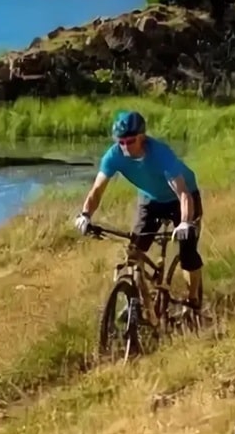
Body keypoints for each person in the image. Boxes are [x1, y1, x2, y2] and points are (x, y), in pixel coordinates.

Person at [74, 110, 205, 310]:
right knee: (134, 252)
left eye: (130, 141)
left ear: (142, 137)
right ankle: (136, 301)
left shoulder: (161, 154)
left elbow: (183, 193)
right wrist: (85, 215)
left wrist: (186, 222)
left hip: (181, 199)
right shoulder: (113, 156)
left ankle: (193, 299)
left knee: (188, 253)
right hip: (150, 199)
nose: (125, 146)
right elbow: (97, 190)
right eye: (121, 142)